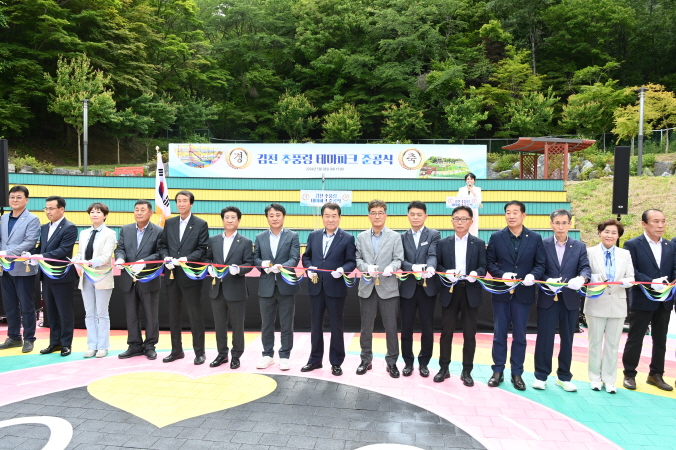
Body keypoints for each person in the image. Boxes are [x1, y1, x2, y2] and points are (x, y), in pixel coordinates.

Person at [486, 200, 545, 390]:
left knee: (520, 335)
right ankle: (497, 371)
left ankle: (517, 373)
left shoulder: (535, 238)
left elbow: (540, 264)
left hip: (524, 293)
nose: (511, 216)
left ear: (523, 215)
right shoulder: (496, 237)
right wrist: (501, 275)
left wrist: (532, 276)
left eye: (515, 212)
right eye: (508, 212)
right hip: (501, 293)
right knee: (499, 334)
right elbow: (490, 263)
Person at [533, 210, 591, 392]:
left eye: (564, 223)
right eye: (557, 223)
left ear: (570, 224)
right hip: (548, 297)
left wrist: (582, 278)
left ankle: (564, 377)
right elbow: (537, 267)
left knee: (567, 339)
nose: (560, 226)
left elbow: (585, 267)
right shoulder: (542, 244)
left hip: (570, 299)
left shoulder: (579, 246)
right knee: (544, 338)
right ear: (551, 224)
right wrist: (546, 280)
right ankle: (541, 376)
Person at [622, 209, 676, 391]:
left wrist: (670, 283)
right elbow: (631, 270)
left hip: (665, 299)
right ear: (644, 224)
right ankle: (629, 374)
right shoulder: (632, 244)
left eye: (663, 221)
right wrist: (651, 282)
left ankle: (656, 374)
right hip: (642, 298)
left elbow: (674, 268)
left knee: (660, 340)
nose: (661, 225)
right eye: (656, 221)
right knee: (635, 338)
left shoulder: (670, 245)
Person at [301, 203, 356, 376]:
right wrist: (309, 268)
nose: (330, 219)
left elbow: (351, 261)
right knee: (316, 325)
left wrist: (342, 270)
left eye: (334, 216)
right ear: (322, 217)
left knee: (336, 326)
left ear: (339, 217)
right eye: (327, 216)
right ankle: (315, 360)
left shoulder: (347, 238)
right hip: (316, 286)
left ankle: (336, 362)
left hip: (336, 288)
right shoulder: (314, 235)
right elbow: (306, 257)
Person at [434, 205, 486, 386]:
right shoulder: (443, 243)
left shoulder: (478, 243)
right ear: (452, 221)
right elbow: (437, 265)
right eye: (456, 218)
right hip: (450, 290)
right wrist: (446, 272)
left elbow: (483, 266)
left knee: (469, 334)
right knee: (446, 333)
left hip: (470, 291)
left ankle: (467, 371)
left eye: (464, 219)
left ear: (471, 221)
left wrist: (476, 274)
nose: (460, 222)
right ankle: (444, 368)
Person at [158, 190, 210, 365]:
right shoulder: (169, 222)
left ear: (191, 203)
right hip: (172, 275)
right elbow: (162, 245)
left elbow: (202, 249)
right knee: (173, 315)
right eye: (178, 201)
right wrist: (166, 257)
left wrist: (186, 259)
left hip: (190, 275)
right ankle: (176, 350)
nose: (181, 204)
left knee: (195, 315)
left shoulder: (200, 224)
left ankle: (199, 353)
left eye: (184, 201)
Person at [355, 200, 404, 378]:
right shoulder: (361, 237)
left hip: (388, 287)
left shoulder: (395, 236)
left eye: (380, 212)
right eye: (374, 212)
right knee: (366, 327)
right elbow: (357, 259)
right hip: (367, 286)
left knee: (391, 327)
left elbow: (398, 259)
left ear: (386, 215)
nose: (377, 216)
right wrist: (365, 267)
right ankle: (365, 359)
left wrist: (392, 267)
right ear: (369, 215)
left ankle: (392, 362)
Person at [585, 219, 634, 393]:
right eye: (606, 231)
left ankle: (609, 380)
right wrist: (593, 279)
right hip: (596, 301)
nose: (610, 235)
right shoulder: (589, 252)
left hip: (618, 303)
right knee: (595, 343)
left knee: (613, 345)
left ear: (618, 236)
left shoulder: (625, 254)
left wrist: (628, 281)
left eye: (614, 233)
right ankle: (595, 378)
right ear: (600, 233)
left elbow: (631, 276)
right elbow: (585, 273)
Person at [253, 203, 301, 371]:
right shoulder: (260, 237)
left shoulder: (292, 236)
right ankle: (267, 355)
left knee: (286, 324)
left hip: (286, 285)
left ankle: (285, 356)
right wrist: (262, 264)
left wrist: (282, 267)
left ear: (283, 216)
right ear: (267, 218)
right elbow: (255, 258)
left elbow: (295, 258)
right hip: (266, 286)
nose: (275, 218)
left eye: (278, 215)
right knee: (266, 324)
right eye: (271, 215)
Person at [205, 206, 254, 370]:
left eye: (233, 217)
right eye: (227, 217)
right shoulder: (213, 240)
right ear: (222, 220)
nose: (230, 220)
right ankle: (222, 354)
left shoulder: (245, 242)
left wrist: (239, 269)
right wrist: (209, 268)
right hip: (217, 289)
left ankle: (236, 356)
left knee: (237, 326)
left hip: (236, 290)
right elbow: (207, 259)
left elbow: (249, 263)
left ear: (238, 220)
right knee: (219, 325)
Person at [114, 200, 163, 360]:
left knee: (151, 315)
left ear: (151, 213)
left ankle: (150, 346)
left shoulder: (159, 231)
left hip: (148, 279)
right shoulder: (125, 229)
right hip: (128, 279)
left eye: (143, 210)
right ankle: (134, 345)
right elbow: (120, 248)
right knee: (131, 314)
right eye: (136, 209)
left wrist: (144, 262)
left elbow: (160, 253)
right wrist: (120, 258)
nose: (139, 213)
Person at [31, 196, 78, 356]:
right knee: (50, 311)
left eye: (51, 208)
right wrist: (30, 254)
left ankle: (66, 343)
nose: (48, 211)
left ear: (61, 209)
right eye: (46, 208)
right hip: (46, 275)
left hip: (62, 275)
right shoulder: (44, 228)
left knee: (64, 311)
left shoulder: (70, 227)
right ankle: (55, 342)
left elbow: (63, 250)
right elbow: (41, 248)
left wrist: (42, 256)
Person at [399, 201, 440, 378]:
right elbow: (400, 260)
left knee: (427, 328)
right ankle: (408, 362)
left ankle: (424, 362)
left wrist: (430, 267)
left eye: (419, 214)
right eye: (412, 214)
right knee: (406, 327)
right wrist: (412, 267)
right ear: (408, 216)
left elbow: (432, 254)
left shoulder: (434, 234)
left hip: (427, 287)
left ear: (425, 216)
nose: (416, 217)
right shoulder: (401, 237)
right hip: (407, 288)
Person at [0, 186, 40, 353]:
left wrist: (7, 253)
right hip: (4, 268)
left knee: (26, 305)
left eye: (18, 197)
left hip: (23, 268)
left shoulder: (32, 219)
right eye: (12, 197)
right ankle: (14, 337)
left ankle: (29, 338)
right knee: (9, 305)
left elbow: (29, 242)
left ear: (26, 200)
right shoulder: (3, 218)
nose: (15, 200)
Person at [75, 202, 117, 358]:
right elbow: (81, 252)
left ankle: (103, 346)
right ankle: (92, 345)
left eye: (98, 212)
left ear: (105, 215)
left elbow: (106, 257)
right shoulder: (84, 233)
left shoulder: (110, 234)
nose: (94, 214)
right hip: (86, 277)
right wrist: (77, 259)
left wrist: (89, 262)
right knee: (89, 313)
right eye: (92, 212)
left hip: (101, 277)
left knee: (102, 313)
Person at [457, 173, 482, 237]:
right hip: (463, 211)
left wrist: (472, 191)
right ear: (466, 181)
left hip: (473, 211)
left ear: (474, 180)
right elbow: (458, 200)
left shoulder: (478, 189)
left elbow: (479, 201)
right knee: (463, 225)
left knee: (473, 226)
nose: (469, 180)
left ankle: (473, 239)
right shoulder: (461, 189)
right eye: (468, 179)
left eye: (471, 179)